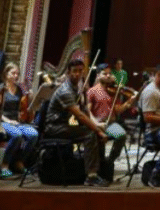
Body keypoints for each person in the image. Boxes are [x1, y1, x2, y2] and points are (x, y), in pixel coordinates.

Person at [44, 59, 111, 187]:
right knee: (90, 134)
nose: (77, 74)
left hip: (63, 125)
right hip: (54, 127)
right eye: (74, 71)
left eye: (80, 71)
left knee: (95, 131)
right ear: (68, 72)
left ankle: (99, 170)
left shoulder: (76, 87)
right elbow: (79, 115)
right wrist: (97, 130)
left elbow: (84, 110)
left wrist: (96, 125)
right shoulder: (65, 91)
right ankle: (91, 177)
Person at [0, 62, 38, 178]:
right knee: (17, 135)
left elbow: (23, 107)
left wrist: (31, 98)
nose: (16, 76)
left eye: (17, 74)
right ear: (6, 74)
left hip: (16, 122)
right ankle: (4, 165)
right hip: (1, 121)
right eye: (13, 73)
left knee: (33, 134)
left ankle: (19, 161)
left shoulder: (19, 90)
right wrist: (8, 121)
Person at [86, 66, 135, 166]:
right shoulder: (92, 91)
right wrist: (96, 124)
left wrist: (127, 104)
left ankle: (110, 161)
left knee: (121, 135)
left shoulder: (113, 91)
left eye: (110, 74)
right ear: (98, 75)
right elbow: (87, 111)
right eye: (105, 73)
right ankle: (100, 163)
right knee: (98, 141)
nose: (108, 76)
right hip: (97, 124)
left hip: (111, 123)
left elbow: (117, 110)